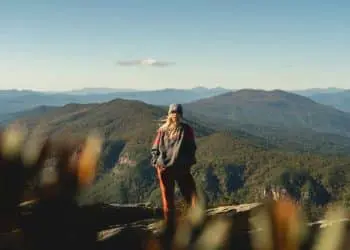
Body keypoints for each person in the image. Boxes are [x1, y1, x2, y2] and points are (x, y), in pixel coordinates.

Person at [151, 103, 198, 225]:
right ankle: (170, 225)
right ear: (169, 114)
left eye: (178, 113)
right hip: (164, 169)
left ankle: (195, 221)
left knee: (191, 194)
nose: (175, 115)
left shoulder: (186, 129)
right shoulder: (162, 131)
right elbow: (155, 148)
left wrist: (186, 163)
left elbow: (191, 147)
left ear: (181, 115)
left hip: (181, 168)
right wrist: (156, 162)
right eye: (173, 112)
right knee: (167, 198)